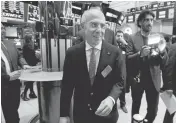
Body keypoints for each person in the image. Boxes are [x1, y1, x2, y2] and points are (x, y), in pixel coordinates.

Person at [60, 9, 125, 123]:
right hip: (82, 115)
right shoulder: (72, 53)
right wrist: (64, 114)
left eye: (102, 26)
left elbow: (120, 81)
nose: (99, 30)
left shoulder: (115, 52)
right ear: (83, 26)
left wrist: (111, 99)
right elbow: (67, 85)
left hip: (107, 116)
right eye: (94, 25)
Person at [126, 10, 168, 123]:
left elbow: (164, 63)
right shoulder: (132, 38)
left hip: (154, 80)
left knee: (153, 110)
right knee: (135, 108)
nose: (150, 23)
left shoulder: (158, 37)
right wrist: (140, 54)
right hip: (138, 79)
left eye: (151, 20)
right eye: (147, 20)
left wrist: (162, 52)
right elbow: (128, 59)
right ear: (140, 22)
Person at [1, 24, 30, 123]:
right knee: (8, 111)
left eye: (3, 28)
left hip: (15, 83)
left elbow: (19, 56)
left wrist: (24, 64)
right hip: (3, 84)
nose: (3, 31)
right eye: (0, 29)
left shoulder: (10, 43)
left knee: (14, 107)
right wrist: (6, 77)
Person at [20, 35, 40, 101]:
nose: (33, 39)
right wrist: (38, 59)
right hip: (30, 65)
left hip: (31, 64)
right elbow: (31, 56)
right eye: (32, 38)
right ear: (29, 39)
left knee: (31, 80)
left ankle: (31, 93)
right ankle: (24, 93)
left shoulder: (27, 46)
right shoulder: (27, 46)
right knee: (30, 80)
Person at [162, 43, 176, 123]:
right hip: (174, 86)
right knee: (171, 111)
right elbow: (168, 67)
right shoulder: (174, 47)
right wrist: (168, 87)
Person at [115, 30, 128, 113]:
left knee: (122, 88)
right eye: (118, 36)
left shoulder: (125, 47)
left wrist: (125, 43)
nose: (119, 37)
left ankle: (123, 104)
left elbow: (130, 51)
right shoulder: (112, 46)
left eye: (121, 36)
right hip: (113, 71)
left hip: (123, 71)